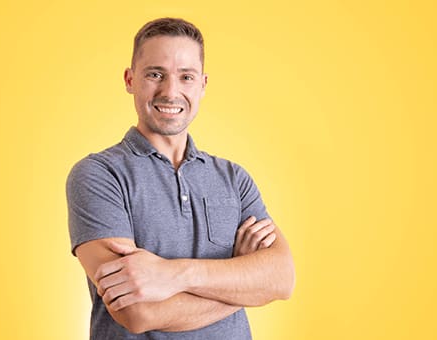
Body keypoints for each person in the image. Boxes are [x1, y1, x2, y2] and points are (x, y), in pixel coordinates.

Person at [66, 17, 295, 339]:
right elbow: (137, 313)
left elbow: (282, 279)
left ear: (202, 84)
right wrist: (244, 283)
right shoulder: (99, 175)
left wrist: (175, 275)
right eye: (155, 74)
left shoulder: (234, 179)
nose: (170, 91)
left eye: (186, 77)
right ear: (130, 79)